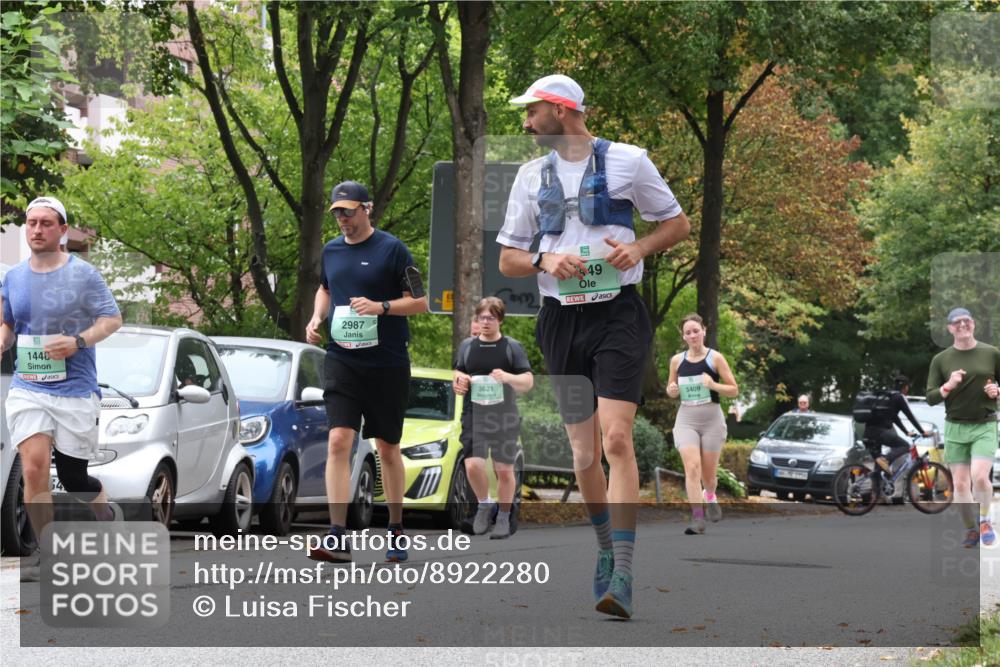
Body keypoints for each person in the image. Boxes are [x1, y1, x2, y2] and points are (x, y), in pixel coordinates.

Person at [497, 74, 690, 619]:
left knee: (617, 439)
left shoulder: (629, 160)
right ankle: (605, 548)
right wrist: (545, 259)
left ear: (560, 110)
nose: (527, 123)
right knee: (584, 454)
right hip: (561, 320)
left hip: (617, 314)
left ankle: (623, 572)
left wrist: (640, 247)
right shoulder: (530, 176)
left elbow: (678, 224)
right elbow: (508, 259)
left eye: (533, 111)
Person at [305, 181, 428, 563]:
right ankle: (337, 534)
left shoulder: (393, 249)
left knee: (387, 448)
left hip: (387, 362)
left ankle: (395, 527)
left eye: (348, 211)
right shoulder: (331, 250)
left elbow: (420, 302)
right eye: (337, 212)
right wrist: (317, 316)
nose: (342, 218)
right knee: (339, 440)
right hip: (343, 359)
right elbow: (326, 288)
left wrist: (381, 307)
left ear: (366, 209)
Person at [0, 196, 123, 580]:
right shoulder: (13, 277)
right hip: (28, 386)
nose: (37, 229)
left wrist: (78, 341)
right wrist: (2, 341)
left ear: (63, 230)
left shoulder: (83, 275)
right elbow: (8, 324)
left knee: (73, 479)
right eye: (31, 222)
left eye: (46, 223)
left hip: (74, 389)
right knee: (34, 467)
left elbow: (112, 320)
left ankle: (106, 515)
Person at [453, 297, 533, 539]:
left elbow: (528, 382)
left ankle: (504, 517)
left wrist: (507, 377)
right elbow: (458, 372)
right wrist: (459, 382)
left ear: (500, 320)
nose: (485, 322)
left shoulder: (511, 347)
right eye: (481, 318)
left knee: (504, 470)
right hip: (474, 414)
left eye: (490, 318)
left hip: (504, 416)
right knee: (472, 465)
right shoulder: (468, 346)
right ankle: (485, 503)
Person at [926, 308, 1000, 548]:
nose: (962, 325)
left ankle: (985, 521)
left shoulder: (991, 353)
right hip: (955, 427)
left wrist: (997, 391)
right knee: (959, 484)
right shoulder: (941, 360)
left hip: (984, 425)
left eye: (966, 321)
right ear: (949, 328)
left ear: (973, 324)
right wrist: (948, 385)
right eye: (956, 322)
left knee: (979, 476)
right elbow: (930, 397)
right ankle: (971, 529)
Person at [666, 314, 739, 535]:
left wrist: (713, 385)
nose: (692, 335)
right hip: (686, 419)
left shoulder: (715, 358)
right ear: (683, 336)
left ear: (704, 331)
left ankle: (710, 496)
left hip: (712, 421)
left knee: (708, 477)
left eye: (696, 331)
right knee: (692, 467)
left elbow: (734, 390)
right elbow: (671, 388)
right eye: (687, 332)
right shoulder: (677, 361)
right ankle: (697, 518)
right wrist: (671, 390)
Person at [861, 374, 929, 476]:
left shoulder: (885, 396)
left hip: (868, 433)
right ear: (905, 387)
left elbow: (894, 417)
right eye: (907, 387)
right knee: (905, 446)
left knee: (878, 468)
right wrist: (922, 432)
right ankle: (885, 459)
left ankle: (876, 485)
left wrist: (906, 432)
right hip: (880, 433)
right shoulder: (898, 397)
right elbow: (910, 416)